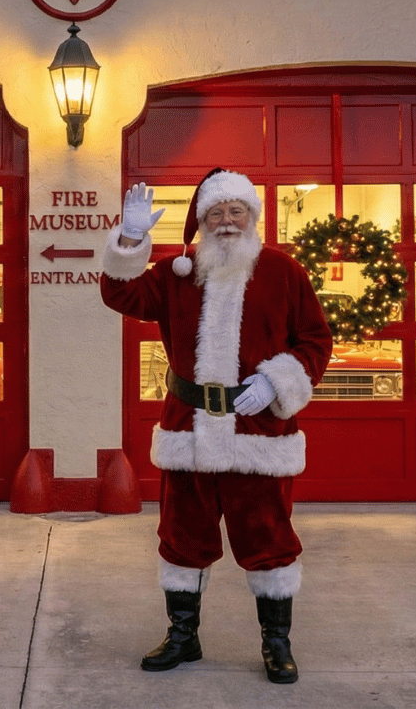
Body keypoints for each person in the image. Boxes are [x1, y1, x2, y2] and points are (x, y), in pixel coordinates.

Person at [99, 168, 332, 684]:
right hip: (190, 432)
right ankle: (183, 636)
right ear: (201, 222)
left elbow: (315, 340)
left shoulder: (282, 271)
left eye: (236, 212)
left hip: (259, 435)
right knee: (181, 538)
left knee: (269, 537)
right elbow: (121, 297)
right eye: (215, 214)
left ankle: (276, 643)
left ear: (252, 217)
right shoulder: (177, 272)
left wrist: (278, 382)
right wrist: (131, 239)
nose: (226, 222)